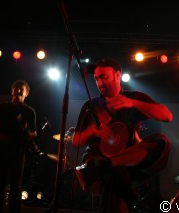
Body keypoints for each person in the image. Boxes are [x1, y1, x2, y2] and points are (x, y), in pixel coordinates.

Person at [72, 58, 172, 212]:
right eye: (96, 79)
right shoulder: (90, 106)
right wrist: (93, 130)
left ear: (118, 75)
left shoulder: (132, 97)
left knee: (162, 141)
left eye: (104, 77)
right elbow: (76, 141)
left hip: (128, 161)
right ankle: (107, 165)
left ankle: (105, 165)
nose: (100, 83)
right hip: (101, 159)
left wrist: (133, 103)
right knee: (117, 174)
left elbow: (167, 116)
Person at [0, 80, 37, 213]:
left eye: (21, 89)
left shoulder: (29, 111)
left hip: (18, 153)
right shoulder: (2, 107)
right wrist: (2, 137)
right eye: (16, 88)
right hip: (1, 151)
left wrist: (28, 135)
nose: (18, 91)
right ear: (12, 91)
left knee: (16, 187)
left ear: (27, 93)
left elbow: (34, 132)